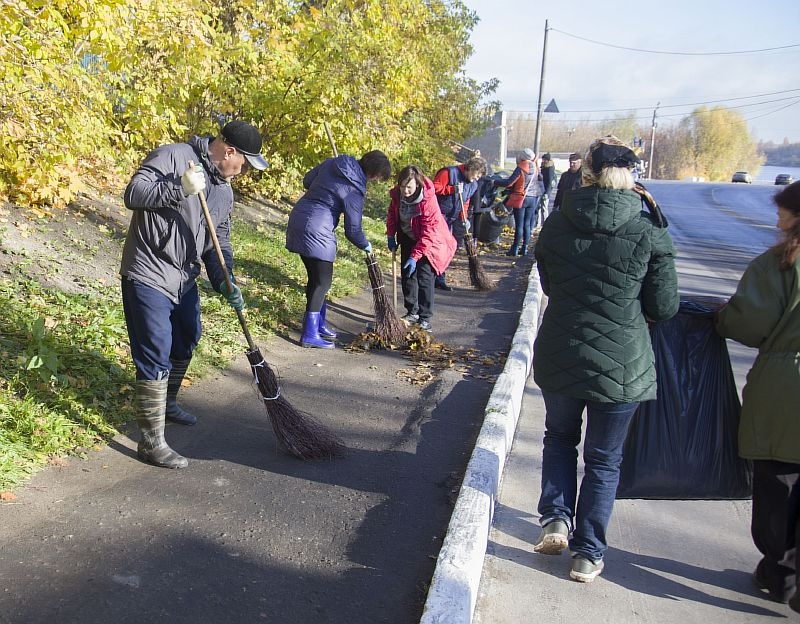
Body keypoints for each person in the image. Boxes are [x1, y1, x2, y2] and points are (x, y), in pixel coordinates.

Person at [531, 136, 679, 582]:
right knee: (603, 460)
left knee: (559, 438)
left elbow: (551, 285)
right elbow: (664, 306)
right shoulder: (647, 231)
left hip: (561, 351)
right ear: (631, 176)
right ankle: (587, 554)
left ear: (587, 173)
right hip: (622, 363)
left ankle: (556, 517)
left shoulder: (557, 224)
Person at [121, 120, 269, 469]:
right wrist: (179, 188)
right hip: (149, 269)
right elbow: (133, 194)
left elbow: (220, 246)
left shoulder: (225, 191)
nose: (244, 171)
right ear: (229, 151)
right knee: (155, 349)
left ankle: (168, 402)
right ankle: (151, 442)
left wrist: (225, 281)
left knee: (188, 336)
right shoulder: (175, 157)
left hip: (183, 276)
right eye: (244, 164)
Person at [715, 180, 800, 613]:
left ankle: (780, 572)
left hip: (787, 388)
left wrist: (722, 318)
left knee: (779, 482)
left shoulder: (781, 264)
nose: (777, 218)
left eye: (783, 210)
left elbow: (750, 322)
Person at [285, 150, 391, 348]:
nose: (375, 182)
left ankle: (319, 325)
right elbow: (353, 230)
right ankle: (309, 334)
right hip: (318, 229)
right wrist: (365, 245)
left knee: (315, 279)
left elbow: (307, 181)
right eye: (377, 179)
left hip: (298, 217)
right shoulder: (354, 190)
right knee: (322, 283)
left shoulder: (334, 162)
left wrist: (326, 188)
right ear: (374, 174)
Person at [386, 165, 457, 333]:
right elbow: (392, 214)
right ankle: (412, 311)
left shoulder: (427, 201)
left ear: (417, 185)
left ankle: (425, 318)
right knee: (407, 275)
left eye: (409, 187)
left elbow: (429, 233)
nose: (405, 190)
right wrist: (390, 234)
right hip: (408, 236)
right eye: (402, 186)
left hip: (428, 242)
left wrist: (415, 257)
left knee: (424, 277)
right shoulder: (397, 194)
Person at [432, 156, 487, 290]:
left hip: (451, 218)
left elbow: (465, 201)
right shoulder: (449, 173)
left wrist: (464, 218)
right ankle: (432, 277)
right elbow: (432, 189)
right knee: (437, 247)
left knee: (448, 248)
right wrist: (451, 190)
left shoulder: (472, 184)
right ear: (471, 169)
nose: (478, 178)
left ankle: (439, 277)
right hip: (437, 215)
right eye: (477, 174)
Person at [493, 148, 540, 256]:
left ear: (522, 156)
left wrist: (494, 181)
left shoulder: (521, 168)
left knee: (519, 224)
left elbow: (509, 183)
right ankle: (524, 248)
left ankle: (514, 248)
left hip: (521, 198)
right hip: (533, 198)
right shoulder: (535, 167)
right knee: (527, 224)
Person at [538, 152, 556, 225]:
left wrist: (547, 193)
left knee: (544, 208)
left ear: (547, 160)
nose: (542, 161)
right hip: (541, 189)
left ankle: (546, 223)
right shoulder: (544, 167)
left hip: (545, 191)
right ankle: (538, 224)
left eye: (544, 159)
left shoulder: (549, 169)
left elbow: (549, 181)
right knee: (539, 208)